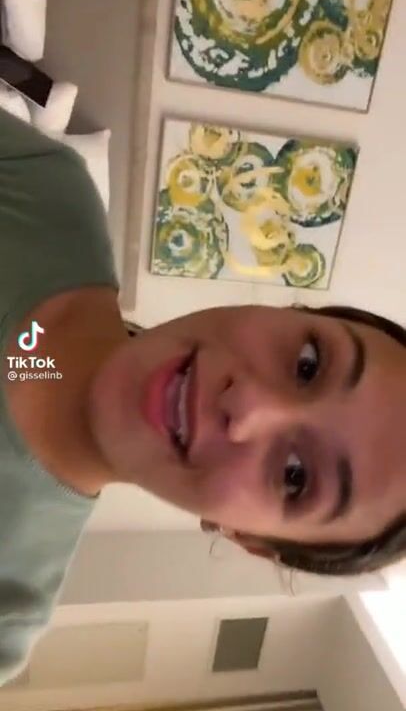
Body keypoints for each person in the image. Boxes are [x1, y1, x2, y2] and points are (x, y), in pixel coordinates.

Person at [0, 107, 405, 685]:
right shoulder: (44, 188)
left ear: (250, 539)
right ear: (292, 310)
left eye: (296, 476)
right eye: (309, 364)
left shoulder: (7, 608)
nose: (251, 408)